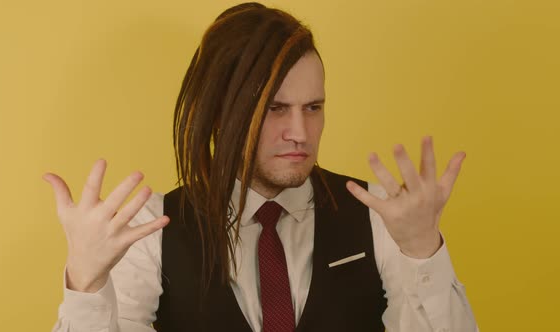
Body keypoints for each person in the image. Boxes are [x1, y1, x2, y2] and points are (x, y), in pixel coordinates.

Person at [45, 2, 478, 331]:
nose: (300, 132)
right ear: (219, 113)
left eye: (313, 107)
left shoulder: (383, 214)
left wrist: (424, 253)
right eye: (275, 108)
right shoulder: (150, 231)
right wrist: (85, 284)